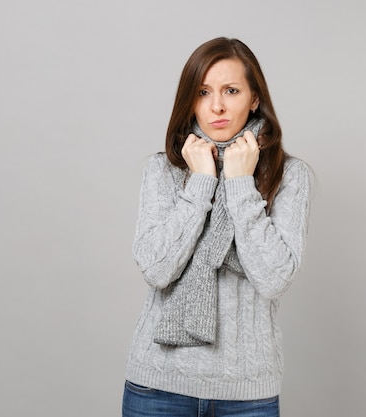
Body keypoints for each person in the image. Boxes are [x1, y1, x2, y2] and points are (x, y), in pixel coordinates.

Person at [122, 37, 312, 417]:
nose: (217, 106)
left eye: (231, 90)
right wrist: (202, 183)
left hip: (247, 393)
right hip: (158, 386)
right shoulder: (162, 171)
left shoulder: (289, 175)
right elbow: (157, 269)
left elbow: (273, 278)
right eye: (203, 92)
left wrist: (241, 184)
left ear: (254, 99)